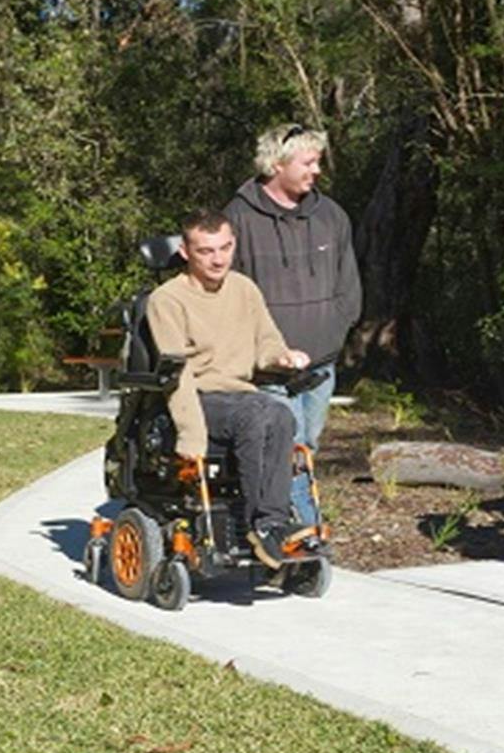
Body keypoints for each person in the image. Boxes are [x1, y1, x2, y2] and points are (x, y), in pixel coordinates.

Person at [145, 210, 310, 568]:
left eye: (224, 248)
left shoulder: (244, 289)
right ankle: (266, 525)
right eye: (205, 251)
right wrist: (191, 434)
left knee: (279, 414)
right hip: (201, 396)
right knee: (256, 414)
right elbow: (177, 375)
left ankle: (271, 523)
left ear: (234, 245)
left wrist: (282, 357)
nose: (218, 259)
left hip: (241, 393)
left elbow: (266, 342)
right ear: (186, 252)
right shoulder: (167, 300)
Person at [227, 123, 361, 534]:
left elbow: (349, 284)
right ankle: (301, 534)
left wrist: (337, 330)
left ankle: (282, 528)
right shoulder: (238, 217)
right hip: (269, 368)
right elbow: (228, 291)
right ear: (277, 164)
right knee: (287, 447)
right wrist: (259, 350)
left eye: (317, 160)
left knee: (308, 446)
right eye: (308, 161)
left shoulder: (331, 216)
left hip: (320, 364)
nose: (317, 169)